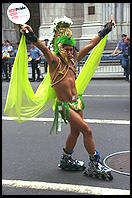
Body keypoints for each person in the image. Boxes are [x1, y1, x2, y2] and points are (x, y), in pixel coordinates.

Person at [21, 15, 116, 181]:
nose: (71, 52)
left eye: (72, 49)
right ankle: (95, 162)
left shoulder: (73, 60)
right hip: (63, 106)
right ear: (60, 48)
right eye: (67, 49)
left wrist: (106, 29)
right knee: (86, 129)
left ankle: (66, 159)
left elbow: (90, 45)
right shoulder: (54, 62)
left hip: (77, 103)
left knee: (76, 132)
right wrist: (31, 36)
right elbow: (44, 50)